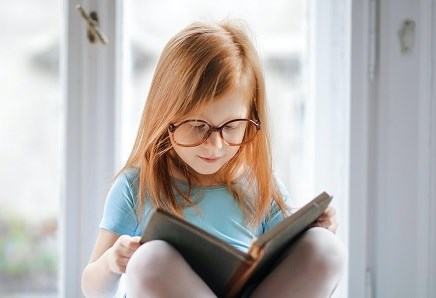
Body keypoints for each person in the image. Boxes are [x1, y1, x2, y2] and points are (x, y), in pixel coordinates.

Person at [81, 19, 347, 298]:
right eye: (198, 127)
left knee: (326, 248)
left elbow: (294, 264)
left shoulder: (261, 185)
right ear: (166, 117)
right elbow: (92, 289)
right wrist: (112, 262)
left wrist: (320, 227)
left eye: (232, 127)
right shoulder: (136, 187)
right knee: (150, 260)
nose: (216, 145)